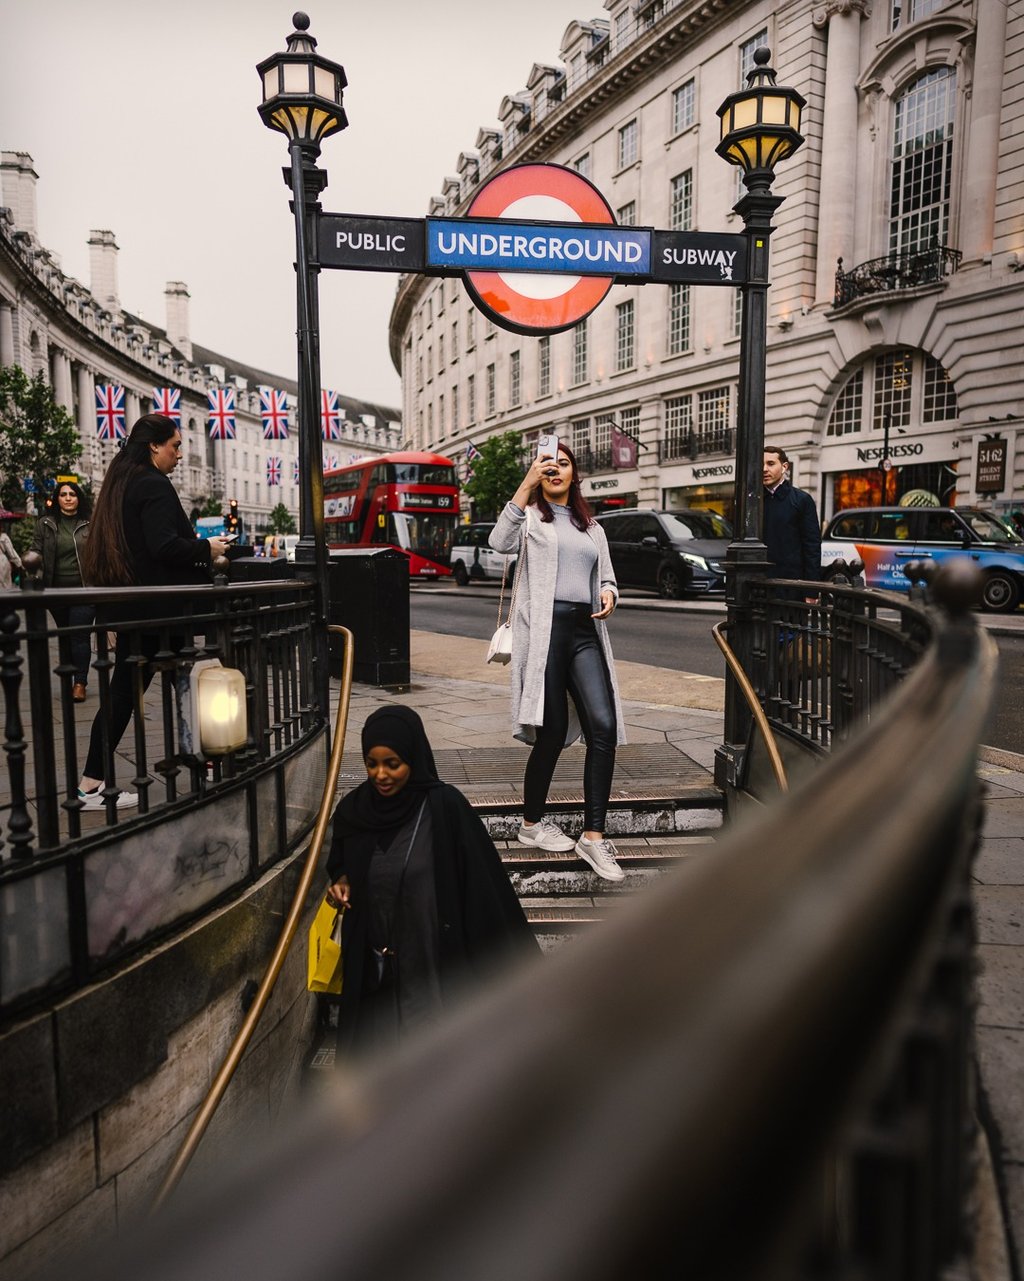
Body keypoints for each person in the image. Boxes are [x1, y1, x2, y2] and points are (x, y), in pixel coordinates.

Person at [325, 706, 538, 1053]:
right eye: (371, 764)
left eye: (392, 764)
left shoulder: (444, 808)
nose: (381, 774)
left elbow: (484, 892)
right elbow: (340, 862)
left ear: (413, 757)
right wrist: (342, 879)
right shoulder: (354, 811)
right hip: (375, 975)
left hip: (432, 967)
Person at [78, 414, 233, 810]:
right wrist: (208, 548)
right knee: (185, 684)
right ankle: (95, 784)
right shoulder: (153, 484)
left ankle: (204, 761)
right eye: (175, 446)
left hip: (140, 609)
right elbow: (163, 546)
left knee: (168, 686)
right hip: (160, 613)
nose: (180, 454)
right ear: (154, 445)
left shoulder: (123, 483)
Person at [488, 441, 626, 883]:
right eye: (547, 465)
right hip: (544, 635)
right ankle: (531, 825)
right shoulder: (529, 519)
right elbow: (498, 542)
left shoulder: (592, 527)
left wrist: (608, 593)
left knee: (603, 726)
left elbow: (607, 577)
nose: (555, 470)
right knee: (550, 734)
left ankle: (593, 837)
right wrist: (525, 483)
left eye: (563, 464)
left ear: (574, 474)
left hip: (585, 633)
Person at [30, 480, 94, 702]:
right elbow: (36, 550)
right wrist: (33, 571)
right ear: (57, 499)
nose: (68, 498)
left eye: (72, 494)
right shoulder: (45, 524)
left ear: (78, 498)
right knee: (66, 635)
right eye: (63, 494)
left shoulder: (90, 523)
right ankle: (69, 678)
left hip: (84, 590)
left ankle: (80, 682)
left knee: (79, 635)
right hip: (56, 592)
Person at [762, 445, 822, 598]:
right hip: (758, 587)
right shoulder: (752, 500)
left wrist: (811, 591)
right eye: (761, 464)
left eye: (770, 464)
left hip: (791, 588)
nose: (764, 469)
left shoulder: (802, 500)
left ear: (784, 467)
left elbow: (812, 547)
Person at [0, 517, 22, 590]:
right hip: (2, 562)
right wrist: (19, 564)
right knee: (4, 586)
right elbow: (11, 553)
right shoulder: (3, 537)